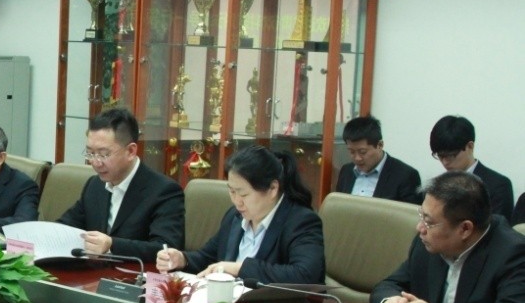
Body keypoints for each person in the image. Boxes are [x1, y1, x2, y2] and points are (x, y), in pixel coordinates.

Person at [372, 171, 525, 303]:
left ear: (465, 229)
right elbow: (390, 284)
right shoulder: (427, 242)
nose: (420, 228)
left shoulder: (512, 252)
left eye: (429, 222)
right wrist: (390, 302)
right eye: (421, 216)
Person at [156, 146, 325, 285]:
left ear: (273, 188)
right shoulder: (235, 217)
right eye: (231, 191)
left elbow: (304, 275)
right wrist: (182, 259)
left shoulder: (301, 221)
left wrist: (239, 268)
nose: (237, 202)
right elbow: (208, 257)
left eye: (243, 194)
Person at [57, 107, 184, 262]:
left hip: (136, 274)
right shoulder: (94, 185)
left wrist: (112, 245)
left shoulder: (164, 191)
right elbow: (65, 227)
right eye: (90, 153)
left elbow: (166, 249)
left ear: (130, 151)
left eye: (104, 154)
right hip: (94, 272)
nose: (95, 162)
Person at [429, 115, 513, 220]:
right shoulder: (437, 186)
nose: (445, 162)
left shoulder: (498, 186)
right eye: (440, 156)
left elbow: (498, 227)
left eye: (451, 155)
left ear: (470, 146)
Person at [334, 114, 422, 204]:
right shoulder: (346, 171)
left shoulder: (406, 176)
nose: (357, 158)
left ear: (380, 145)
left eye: (362, 152)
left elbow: (410, 212)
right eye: (352, 152)